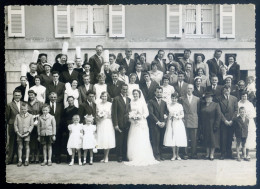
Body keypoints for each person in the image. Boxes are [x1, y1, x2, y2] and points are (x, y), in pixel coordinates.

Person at [125, 89, 159, 166]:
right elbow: (130, 112)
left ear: (139, 94)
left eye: (136, 94)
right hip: (134, 123)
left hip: (141, 123)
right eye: (134, 94)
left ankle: (142, 156)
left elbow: (146, 113)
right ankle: (133, 156)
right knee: (134, 138)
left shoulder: (142, 102)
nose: (135, 95)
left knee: (141, 138)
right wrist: (132, 117)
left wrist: (140, 117)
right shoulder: (131, 102)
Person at [164, 92, 187, 161]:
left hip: (178, 123)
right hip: (171, 122)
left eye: (175, 98)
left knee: (178, 138)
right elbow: (166, 114)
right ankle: (173, 155)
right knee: (172, 138)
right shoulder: (168, 105)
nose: (174, 100)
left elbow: (182, 115)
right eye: (172, 98)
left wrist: (177, 117)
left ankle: (178, 154)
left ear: (177, 99)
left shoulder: (180, 105)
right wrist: (169, 116)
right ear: (171, 98)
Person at [148, 87, 169, 161]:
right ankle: (156, 155)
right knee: (155, 140)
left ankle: (161, 154)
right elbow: (151, 114)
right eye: (158, 92)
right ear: (155, 93)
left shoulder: (164, 102)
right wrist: (158, 122)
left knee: (161, 140)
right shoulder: (151, 102)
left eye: (160, 92)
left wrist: (164, 122)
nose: (159, 93)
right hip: (155, 124)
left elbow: (166, 113)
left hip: (162, 124)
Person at [112, 84, 131, 162]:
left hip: (127, 123)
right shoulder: (116, 99)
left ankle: (124, 156)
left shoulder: (129, 99)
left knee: (125, 141)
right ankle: (119, 156)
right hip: (119, 123)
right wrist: (115, 124)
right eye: (123, 89)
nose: (125, 91)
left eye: (126, 89)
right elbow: (114, 113)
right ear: (121, 90)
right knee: (119, 141)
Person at [200, 92, 221, 160]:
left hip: (212, 125)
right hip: (204, 125)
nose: (208, 99)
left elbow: (218, 115)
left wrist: (216, 125)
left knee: (212, 140)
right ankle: (207, 154)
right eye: (206, 97)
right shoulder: (203, 105)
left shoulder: (215, 105)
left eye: (209, 97)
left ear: (212, 98)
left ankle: (212, 154)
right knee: (206, 139)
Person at [218, 85, 238, 160]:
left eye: (228, 89)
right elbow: (219, 111)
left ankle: (229, 154)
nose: (227, 90)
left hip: (231, 121)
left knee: (230, 138)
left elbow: (236, 110)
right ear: (223, 90)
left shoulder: (234, 98)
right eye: (225, 89)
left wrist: (232, 120)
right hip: (223, 122)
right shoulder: (219, 99)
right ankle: (222, 154)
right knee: (223, 138)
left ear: (230, 90)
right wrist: (225, 120)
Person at [181, 84, 200, 159]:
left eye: (191, 88)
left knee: (194, 138)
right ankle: (185, 154)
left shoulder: (197, 99)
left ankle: (194, 153)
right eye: (188, 88)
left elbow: (198, 110)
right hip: (185, 119)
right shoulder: (182, 98)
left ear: (193, 89)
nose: (189, 90)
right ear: (186, 89)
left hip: (194, 119)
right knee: (185, 137)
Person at [96, 92, 115, 163]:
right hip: (100, 123)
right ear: (101, 97)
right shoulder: (98, 104)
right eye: (103, 96)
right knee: (102, 139)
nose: (104, 98)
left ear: (107, 97)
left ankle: (106, 157)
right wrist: (99, 117)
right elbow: (96, 114)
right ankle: (103, 157)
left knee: (107, 139)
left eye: (105, 96)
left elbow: (112, 115)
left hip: (107, 123)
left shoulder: (110, 104)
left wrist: (106, 116)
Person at [6, 89, 23, 165]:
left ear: (21, 96)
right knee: (12, 142)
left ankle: (20, 159)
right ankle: (10, 159)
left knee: (20, 142)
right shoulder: (9, 105)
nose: (17, 97)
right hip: (12, 125)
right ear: (13, 95)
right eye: (16, 95)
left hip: (22, 125)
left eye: (19, 95)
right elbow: (7, 116)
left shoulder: (23, 104)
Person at [238, 91, 256, 161]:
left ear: (247, 96)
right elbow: (237, 113)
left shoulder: (250, 104)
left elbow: (253, 114)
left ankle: (247, 154)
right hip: (241, 122)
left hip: (249, 122)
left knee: (248, 137)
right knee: (242, 137)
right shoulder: (238, 103)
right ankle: (243, 153)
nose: (244, 97)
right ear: (241, 97)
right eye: (242, 96)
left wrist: (247, 116)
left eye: (245, 96)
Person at [27, 90, 43, 164]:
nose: (31, 96)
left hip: (37, 123)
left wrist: (37, 118)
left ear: (35, 95)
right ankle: (32, 156)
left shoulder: (39, 103)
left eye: (32, 95)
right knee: (31, 140)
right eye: (30, 95)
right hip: (29, 123)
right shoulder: (26, 103)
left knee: (37, 139)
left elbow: (42, 112)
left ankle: (37, 156)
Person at [48, 92, 64, 164]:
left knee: (58, 142)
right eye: (52, 97)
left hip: (58, 127)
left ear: (57, 98)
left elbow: (62, 116)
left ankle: (57, 157)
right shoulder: (46, 105)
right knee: (49, 142)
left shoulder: (60, 105)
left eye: (54, 97)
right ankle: (50, 157)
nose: (53, 99)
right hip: (48, 127)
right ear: (49, 97)